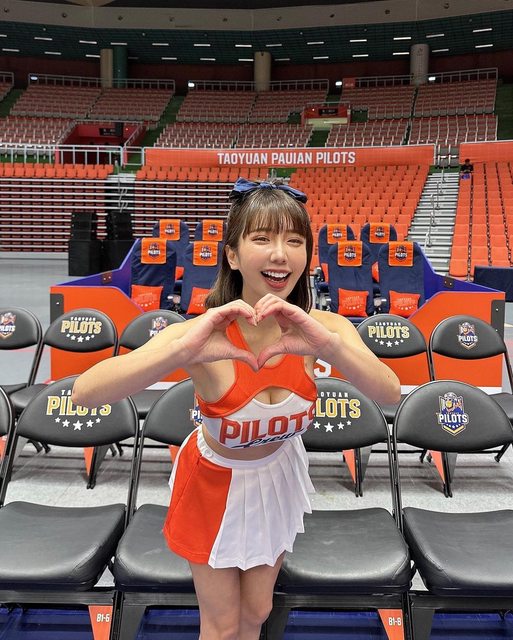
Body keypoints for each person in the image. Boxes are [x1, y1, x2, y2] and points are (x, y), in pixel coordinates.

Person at [72, 177, 401, 640]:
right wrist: (179, 352)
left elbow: (389, 392)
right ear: (232, 254)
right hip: (212, 483)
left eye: (294, 241)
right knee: (222, 625)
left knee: (258, 611)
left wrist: (329, 347)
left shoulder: (324, 329)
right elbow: (85, 394)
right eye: (262, 238)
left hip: (278, 474)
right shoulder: (202, 334)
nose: (280, 254)